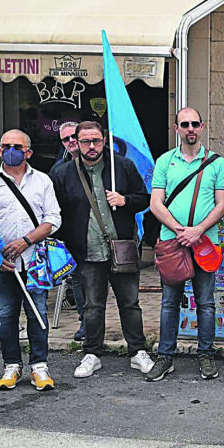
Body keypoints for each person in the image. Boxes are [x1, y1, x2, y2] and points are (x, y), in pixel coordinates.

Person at [50, 120, 153, 379]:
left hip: (122, 248)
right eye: (86, 141)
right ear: (76, 143)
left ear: (104, 141)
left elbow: (145, 198)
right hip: (86, 252)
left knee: (130, 303)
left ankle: (138, 352)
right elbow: (56, 213)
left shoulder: (123, 166)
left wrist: (125, 200)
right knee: (92, 306)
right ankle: (92, 353)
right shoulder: (63, 174)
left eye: (96, 140)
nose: (92, 146)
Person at [146, 107, 224, 382]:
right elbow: (155, 203)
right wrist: (179, 230)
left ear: (202, 127)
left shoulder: (217, 162)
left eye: (195, 124)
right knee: (169, 303)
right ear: (176, 128)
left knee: (206, 303)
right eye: (185, 124)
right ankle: (165, 356)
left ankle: (206, 355)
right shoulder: (164, 161)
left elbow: (221, 205)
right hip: (173, 243)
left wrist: (198, 230)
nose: (190, 128)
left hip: (205, 243)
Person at [0, 130, 61, 392]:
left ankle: (39, 366)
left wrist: (26, 240)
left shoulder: (43, 181)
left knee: (38, 314)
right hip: (4, 266)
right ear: (0, 151)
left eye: (17, 146)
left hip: (35, 262)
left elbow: (53, 219)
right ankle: (11, 365)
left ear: (28, 152)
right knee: (5, 316)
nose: (11, 150)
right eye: (6, 146)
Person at [51, 121, 86, 343]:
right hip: (73, 236)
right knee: (79, 281)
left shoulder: (107, 162)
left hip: (102, 235)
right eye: (66, 139)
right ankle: (86, 323)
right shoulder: (58, 170)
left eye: (74, 136)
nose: (71, 141)